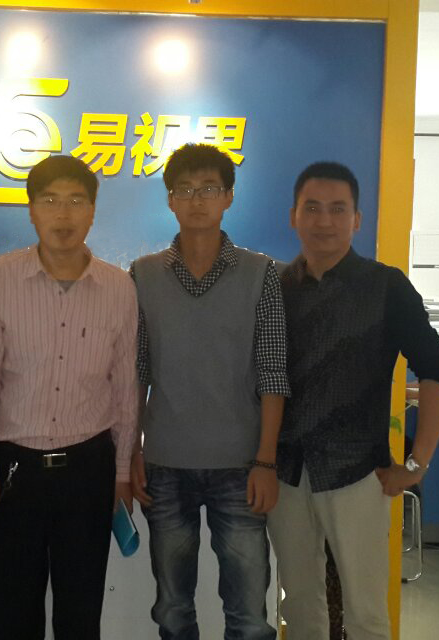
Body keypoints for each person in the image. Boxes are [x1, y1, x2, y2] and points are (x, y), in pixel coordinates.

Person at [267, 161, 439, 640]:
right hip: (287, 473)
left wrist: (417, 464)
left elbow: (436, 371)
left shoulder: (386, 286)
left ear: (357, 219)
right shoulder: (276, 288)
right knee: (299, 605)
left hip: (358, 474)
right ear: (293, 216)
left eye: (338, 209)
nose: (324, 220)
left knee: (366, 612)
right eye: (312, 208)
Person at [0, 154, 139, 640]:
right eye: (50, 200)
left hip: (88, 469)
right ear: (32, 210)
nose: (63, 214)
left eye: (76, 201)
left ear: (93, 211)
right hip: (14, 469)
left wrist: (121, 473)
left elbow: (125, 390)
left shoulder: (119, 288)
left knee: (80, 615)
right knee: (12, 615)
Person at [129, 143, 288, 640]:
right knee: (173, 610)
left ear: (229, 197)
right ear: (170, 200)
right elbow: (136, 373)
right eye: (184, 190)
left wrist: (266, 462)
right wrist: (131, 452)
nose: (196, 200)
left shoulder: (262, 274)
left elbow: (273, 373)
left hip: (241, 467)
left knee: (249, 616)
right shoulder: (143, 275)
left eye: (209, 189)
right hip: (165, 465)